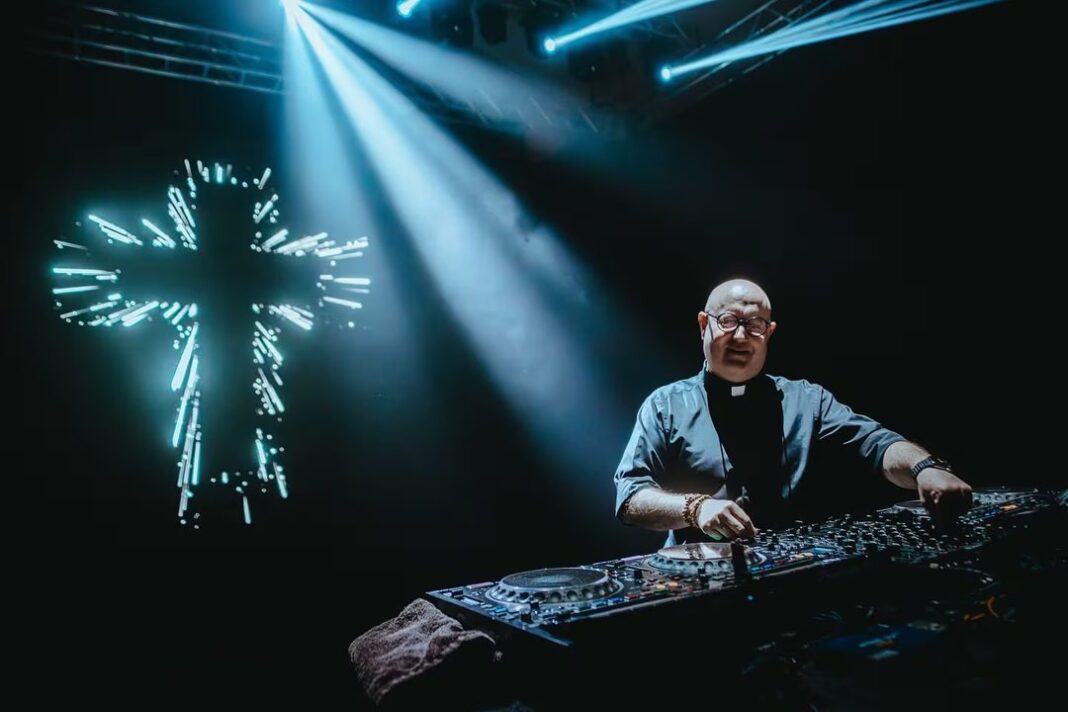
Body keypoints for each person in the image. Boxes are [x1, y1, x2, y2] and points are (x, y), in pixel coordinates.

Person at [614, 278, 973, 544]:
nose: (740, 337)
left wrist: (925, 469)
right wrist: (695, 509)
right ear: (704, 324)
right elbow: (631, 498)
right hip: (699, 587)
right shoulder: (665, 405)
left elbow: (878, 445)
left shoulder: (807, 399)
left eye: (753, 325)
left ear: (768, 333)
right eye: (727, 321)